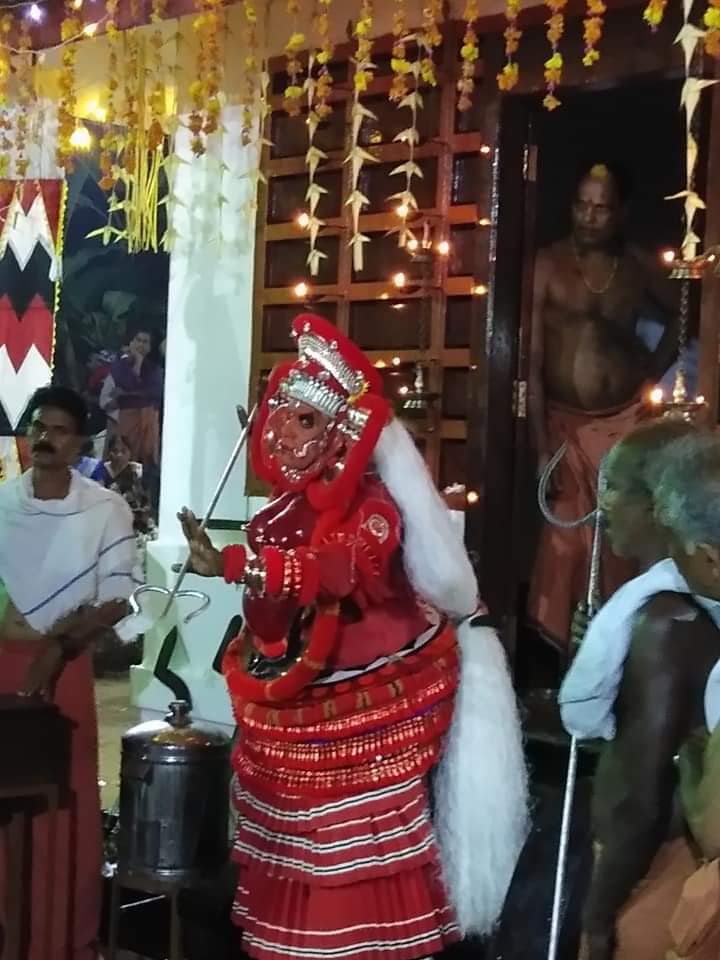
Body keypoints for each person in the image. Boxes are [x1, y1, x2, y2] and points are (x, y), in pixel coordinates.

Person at [179, 314, 528, 960]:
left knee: (348, 877)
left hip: (373, 708)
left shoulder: (372, 509)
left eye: (304, 421)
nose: (282, 432)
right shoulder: (284, 511)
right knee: (297, 867)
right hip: (297, 712)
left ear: (344, 436)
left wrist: (232, 563)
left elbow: (336, 573)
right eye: (280, 414)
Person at [559, 431, 720, 960]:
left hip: (660, 868)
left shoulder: (668, 621)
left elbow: (639, 794)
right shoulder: (665, 609)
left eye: (614, 488)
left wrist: (598, 914)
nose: (602, 506)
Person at [0, 385, 139, 960]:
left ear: (79, 441)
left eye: (57, 429)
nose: (43, 438)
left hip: (64, 671)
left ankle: (59, 938)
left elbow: (116, 599)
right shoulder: (3, 504)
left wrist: (58, 645)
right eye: (36, 427)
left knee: (64, 798)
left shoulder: (106, 509)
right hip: (2, 667)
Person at [528, 163, 679, 652]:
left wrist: (651, 376)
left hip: (623, 422)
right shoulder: (547, 264)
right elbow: (529, 363)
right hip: (564, 424)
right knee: (564, 545)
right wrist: (538, 446)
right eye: (582, 205)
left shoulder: (636, 268)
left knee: (620, 544)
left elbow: (688, 311)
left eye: (601, 208)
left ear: (621, 213)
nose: (589, 217)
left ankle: (611, 654)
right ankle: (557, 662)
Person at [109, 327, 163, 468]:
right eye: (138, 340)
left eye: (145, 342)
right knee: (125, 454)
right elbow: (128, 384)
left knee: (148, 459)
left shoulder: (154, 369)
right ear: (131, 343)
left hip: (149, 416)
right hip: (127, 417)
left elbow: (154, 392)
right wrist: (137, 363)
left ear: (150, 347)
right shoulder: (119, 364)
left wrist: (127, 393)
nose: (141, 344)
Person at [103, 434, 154, 537]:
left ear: (130, 453)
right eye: (115, 451)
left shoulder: (137, 472)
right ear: (109, 453)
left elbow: (145, 503)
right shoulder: (102, 472)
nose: (119, 455)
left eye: (123, 451)